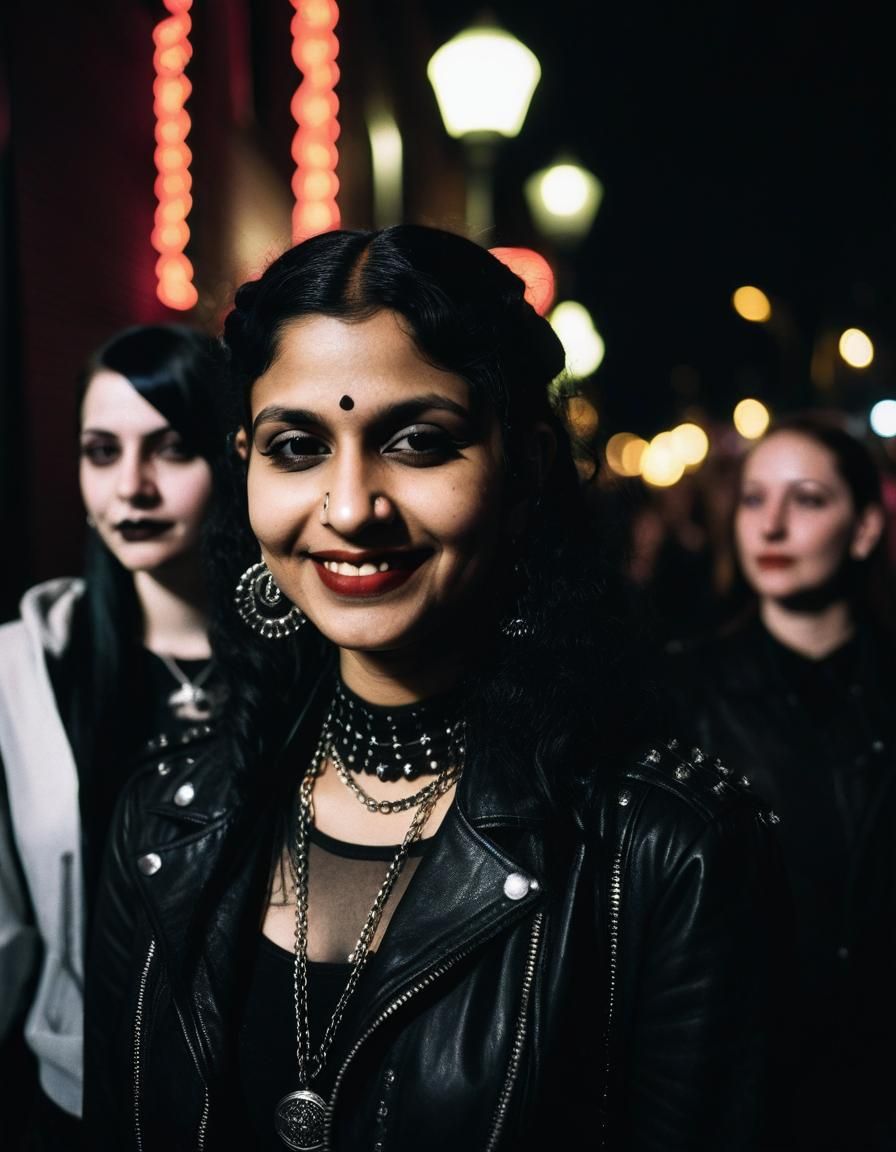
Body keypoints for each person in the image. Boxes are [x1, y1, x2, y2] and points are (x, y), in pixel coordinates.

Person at [85, 226, 783, 1151]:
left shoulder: (665, 853)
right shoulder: (164, 823)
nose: (349, 507)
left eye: (416, 441)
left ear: (526, 468)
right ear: (244, 465)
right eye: (295, 446)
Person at [0, 324, 226, 1148]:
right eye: (101, 451)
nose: (131, 486)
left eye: (170, 450)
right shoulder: (28, 672)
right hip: (80, 1095)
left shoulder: (310, 662)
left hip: (253, 1090)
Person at [664, 412, 896, 1150]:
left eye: (807, 499)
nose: (771, 525)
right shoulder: (681, 695)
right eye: (755, 498)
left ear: (864, 529)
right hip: (752, 1095)